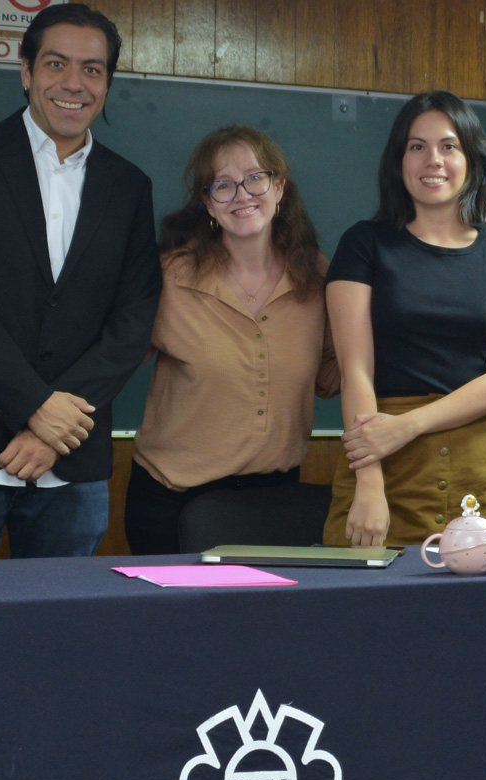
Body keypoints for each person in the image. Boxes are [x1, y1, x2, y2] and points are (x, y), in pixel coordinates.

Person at [0, 3, 162, 561]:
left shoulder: (130, 186)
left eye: (92, 69)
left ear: (108, 82)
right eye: (56, 64)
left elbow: (134, 318)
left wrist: (54, 429)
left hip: (72, 464)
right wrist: (35, 406)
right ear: (25, 71)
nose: (74, 83)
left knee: (57, 637)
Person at [322, 90, 486, 547]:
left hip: (483, 467)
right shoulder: (364, 244)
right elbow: (355, 369)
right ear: (398, 161)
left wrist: (408, 425)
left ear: (473, 159)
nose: (432, 160)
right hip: (381, 459)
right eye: (416, 146)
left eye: (448, 146)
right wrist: (370, 486)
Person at [124, 127, 338, 555]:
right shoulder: (170, 277)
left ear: (279, 187)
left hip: (274, 505)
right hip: (173, 504)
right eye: (222, 185)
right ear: (207, 202)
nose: (242, 194)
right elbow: (111, 357)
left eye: (255, 178)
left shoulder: (317, 276)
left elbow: (335, 374)